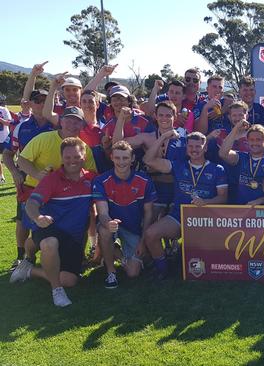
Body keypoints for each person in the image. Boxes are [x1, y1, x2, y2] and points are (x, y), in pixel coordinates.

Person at [10, 137, 96, 307]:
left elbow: (97, 208)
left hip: (72, 238)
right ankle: (57, 290)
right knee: (49, 243)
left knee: (69, 280)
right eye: (68, 157)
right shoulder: (52, 179)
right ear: (61, 157)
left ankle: (30, 270)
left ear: (84, 156)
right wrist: (38, 218)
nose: (72, 161)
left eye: (77, 157)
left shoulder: (92, 179)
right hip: (49, 227)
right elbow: (32, 204)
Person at [142, 131, 228, 279]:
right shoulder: (177, 166)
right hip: (179, 216)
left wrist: (205, 202)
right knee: (150, 234)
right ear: (186, 148)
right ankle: (162, 269)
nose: (194, 150)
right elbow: (148, 160)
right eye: (191, 146)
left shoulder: (217, 169)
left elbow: (223, 198)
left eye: (198, 146)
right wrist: (163, 137)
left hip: (205, 219)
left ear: (205, 148)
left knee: (198, 262)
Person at [93, 141, 157, 287]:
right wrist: (108, 223)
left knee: (133, 272)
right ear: (111, 158)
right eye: (117, 158)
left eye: (125, 158)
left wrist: (142, 241)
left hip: (133, 228)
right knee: (105, 230)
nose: (121, 162)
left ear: (132, 158)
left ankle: (113, 251)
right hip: (111, 224)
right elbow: (102, 213)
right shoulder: (101, 181)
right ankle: (111, 272)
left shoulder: (144, 180)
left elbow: (149, 214)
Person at [2, 90, 53, 269]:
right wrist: (15, 173)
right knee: (23, 219)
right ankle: (21, 256)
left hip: (52, 181)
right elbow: (8, 154)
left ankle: (49, 253)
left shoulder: (56, 123)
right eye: (37, 101)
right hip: (27, 181)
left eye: (45, 101)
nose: (41, 104)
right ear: (30, 104)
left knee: (50, 216)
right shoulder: (21, 127)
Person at [113, 101, 186, 217]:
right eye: (161, 115)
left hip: (176, 187)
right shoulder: (147, 137)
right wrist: (121, 119)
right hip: (155, 186)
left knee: (175, 229)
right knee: (151, 225)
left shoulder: (184, 137)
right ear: (155, 117)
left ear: (175, 117)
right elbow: (117, 145)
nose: (164, 119)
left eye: (168, 115)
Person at [219, 122, 264, 205]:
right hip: (242, 209)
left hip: (263, 212)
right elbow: (223, 153)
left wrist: (260, 201)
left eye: (258, 140)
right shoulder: (241, 157)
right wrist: (236, 128)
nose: (254, 143)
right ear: (247, 141)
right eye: (251, 140)